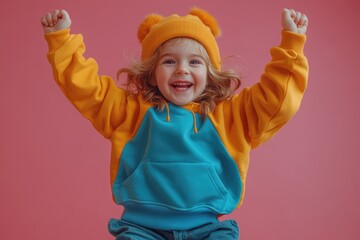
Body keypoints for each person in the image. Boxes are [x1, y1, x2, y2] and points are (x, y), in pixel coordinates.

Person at [41, 7, 309, 240]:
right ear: (152, 73)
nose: (182, 69)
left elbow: (277, 99)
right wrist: (62, 40)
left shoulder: (231, 117)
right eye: (169, 61)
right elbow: (86, 88)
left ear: (210, 73)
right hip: (141, 229)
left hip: (208, 229)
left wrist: (292, 47)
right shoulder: (129, 112)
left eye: (194, 62)